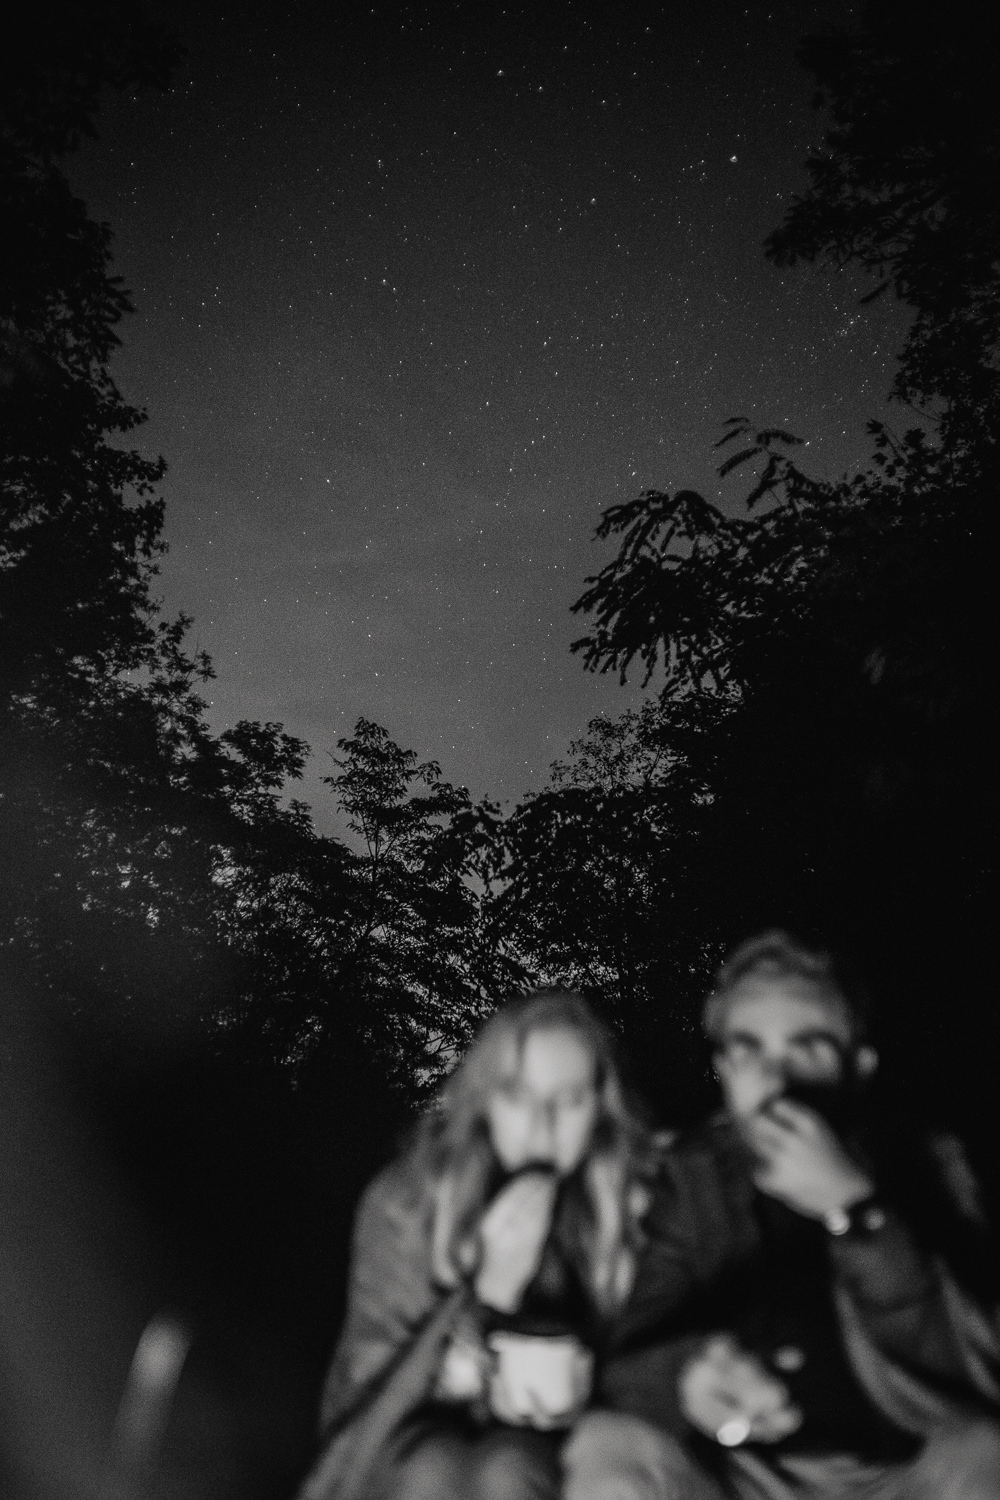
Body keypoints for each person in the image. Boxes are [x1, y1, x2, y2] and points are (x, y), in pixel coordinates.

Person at [567, 931, 1000, 1499]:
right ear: (723, 1068)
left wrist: (854, 1210)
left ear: (858, 1066)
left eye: (807, 1048)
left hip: (906, 1471)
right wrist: (685, 1377)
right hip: (742, 1476)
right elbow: (633, 1350)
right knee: (604, 1446)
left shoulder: (931, 1161)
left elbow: (976, 1361)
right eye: (749, 1051)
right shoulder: (691, 1176)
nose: (776, 1081)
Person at [296, 989, 651, 1500]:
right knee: (432, 1469)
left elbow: (648, 1376)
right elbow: (366, 1405)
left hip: (560, 1453)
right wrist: (488, 1294)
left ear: (600, 1109)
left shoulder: (626, 1207)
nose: (542, 1127)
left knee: (511, 1468)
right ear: (484, 1103)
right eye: (517, 1097)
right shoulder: (410, 1203)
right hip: (408, 1452)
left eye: (569, 1100)